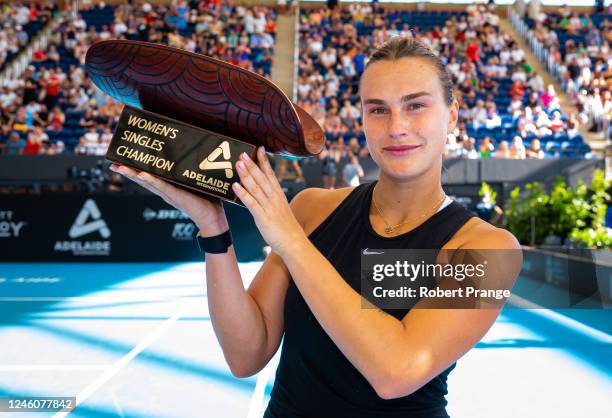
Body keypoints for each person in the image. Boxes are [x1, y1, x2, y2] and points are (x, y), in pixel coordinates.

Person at [110, 37, 521, 417]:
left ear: (452, 112)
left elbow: (396, 372)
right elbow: (245, 354)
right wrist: (212, 225)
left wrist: (290, 240)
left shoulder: (490, 249)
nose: (396, 126)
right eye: (377, 109)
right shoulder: (313, 209)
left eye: (416, 105)